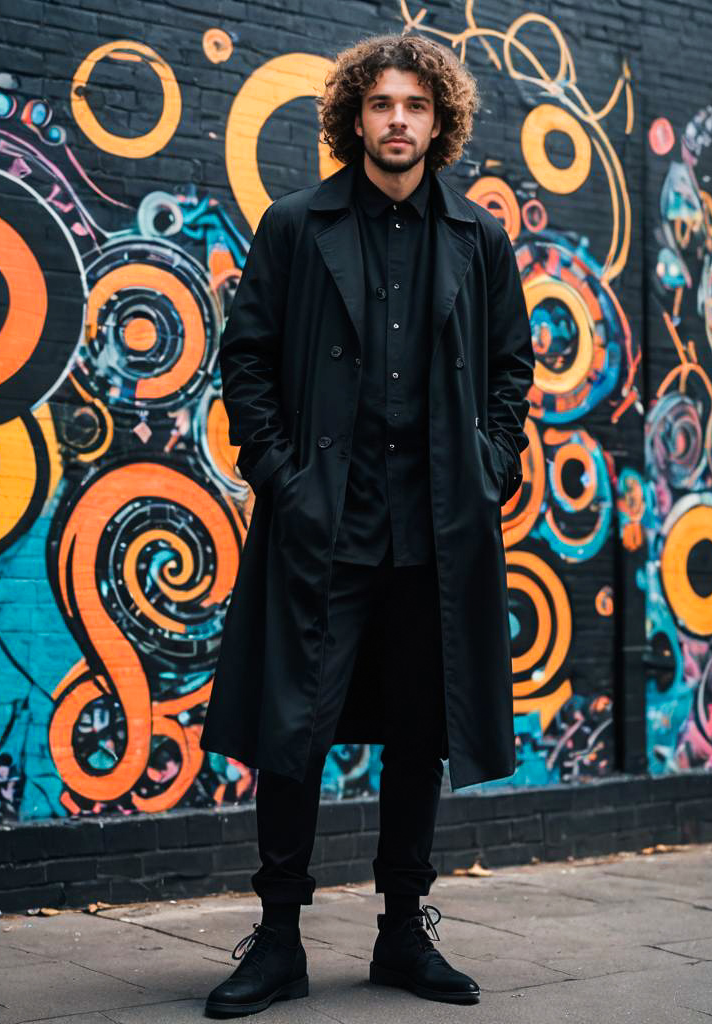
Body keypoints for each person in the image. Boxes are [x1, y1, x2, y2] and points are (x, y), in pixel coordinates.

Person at [200, 31, 534, 1019]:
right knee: (290, 728)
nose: (398, 120)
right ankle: (278, 940)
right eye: (382, 103)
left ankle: (400, 933)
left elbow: (513, 370)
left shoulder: (478, 239)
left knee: (419, 733)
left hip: (436, 530)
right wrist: (281, 477)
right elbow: (246, 361)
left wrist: (490, 458)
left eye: (415, 106)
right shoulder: (296, 226)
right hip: (324, 526)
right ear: (354, 115)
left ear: (442, 121)